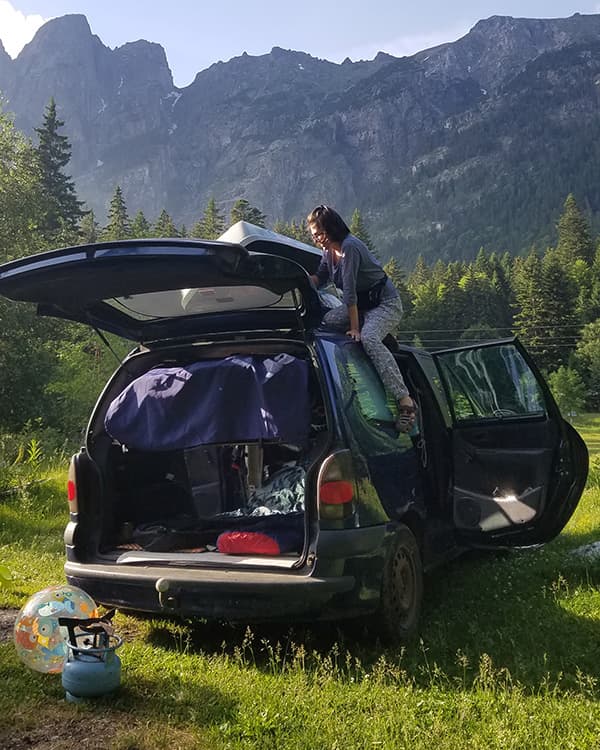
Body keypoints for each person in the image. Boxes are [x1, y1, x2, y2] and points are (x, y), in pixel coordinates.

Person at [306, 204, 417, 433]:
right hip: (361, 307)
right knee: (326, 322)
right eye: (314, 235)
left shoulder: (350, 249)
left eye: (319, 234)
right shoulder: (329, 252)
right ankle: (378, 334)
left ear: (331, 228)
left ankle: (405, 401)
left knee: (368, 338)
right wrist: (298, 281)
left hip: (384, 304)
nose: (316, 239)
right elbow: (320, 277)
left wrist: (355, 328)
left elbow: (349, 295)